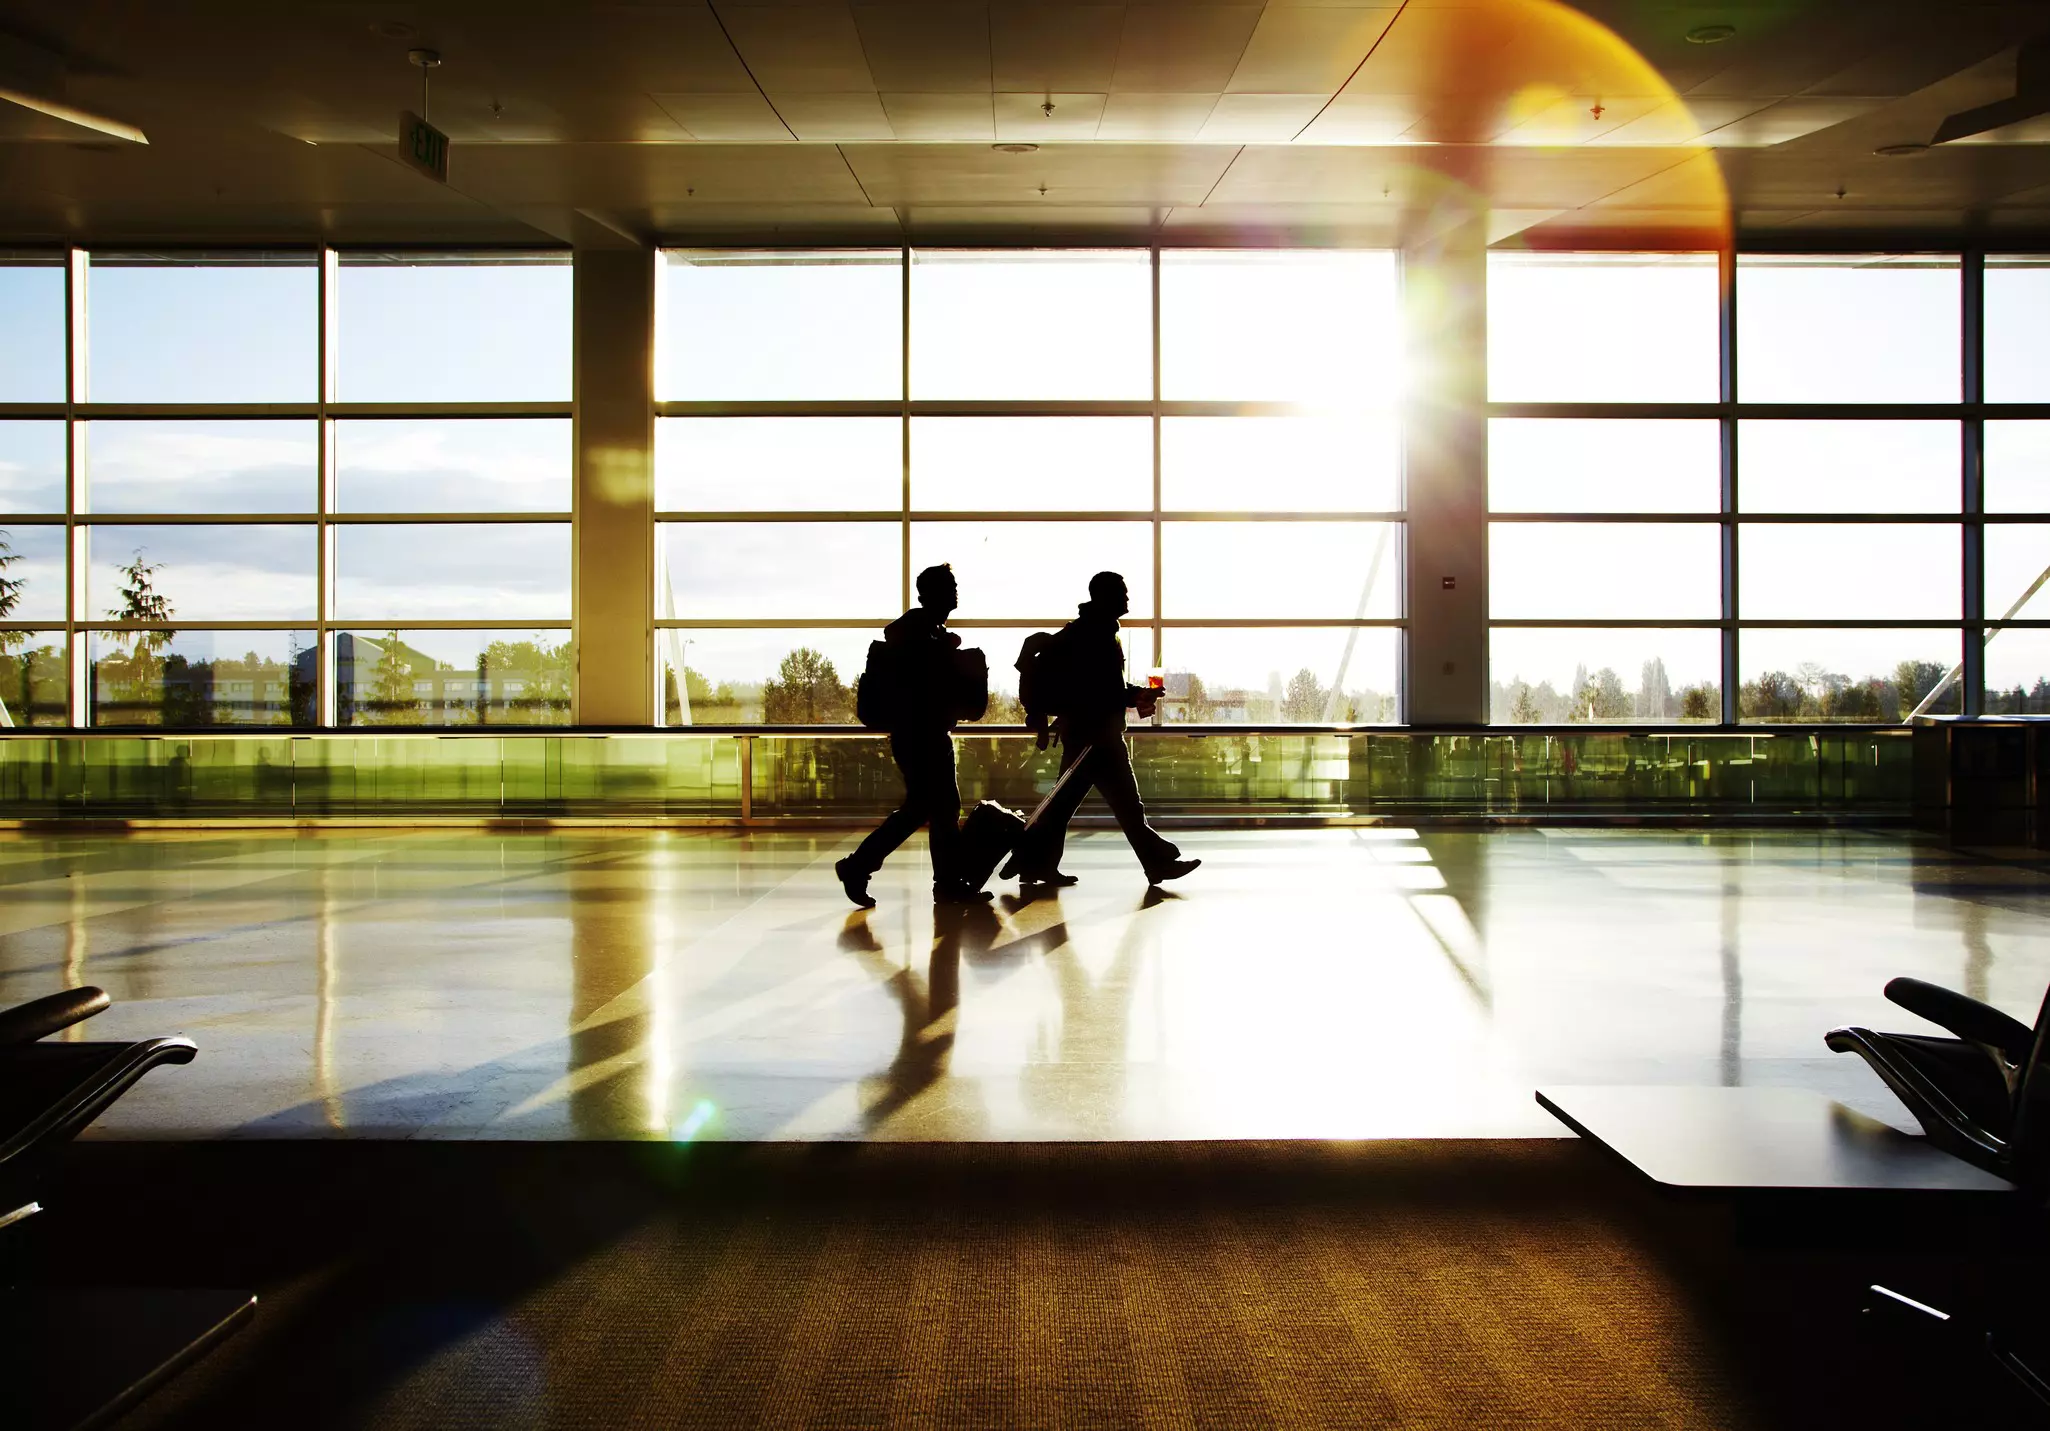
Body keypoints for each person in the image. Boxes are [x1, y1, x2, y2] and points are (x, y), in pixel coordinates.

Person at [1001, 571, 1200, 888]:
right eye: (1122, 592)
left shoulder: (1096, 632)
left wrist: (1134, 695)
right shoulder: (1092, 635)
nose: (1127, 598)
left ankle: (1031, 862)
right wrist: (1132, 697)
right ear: (1104, 596)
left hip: (1090, 735)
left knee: (1066, 807)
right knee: (1125, 808)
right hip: (1096, 738)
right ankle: (1157, 863)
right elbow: (1096, 692)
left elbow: (1104, 687)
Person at [837, 564, 991, 907]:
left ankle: (864, 867)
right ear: (928, 594)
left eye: (954, 585)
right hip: (920, 734)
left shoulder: (928, 631)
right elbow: (926, 685)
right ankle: (935, 881)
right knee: (936, 807)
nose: (954, 592)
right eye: (948, 586)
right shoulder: (920, 633)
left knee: (929, 808)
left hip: (924, 733)